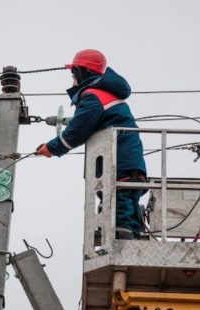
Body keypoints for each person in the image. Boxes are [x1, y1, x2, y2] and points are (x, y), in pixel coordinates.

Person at [36, 49, 147, 240]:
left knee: (118, 204)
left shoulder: (92, 96)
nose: (72, 82)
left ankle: (121, 244)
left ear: (82, 72)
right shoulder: (104, 94)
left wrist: (51, 148)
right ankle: (130, 239)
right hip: (128, 163)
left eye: (73, 76)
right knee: (125, 203)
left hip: (118, 163)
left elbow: (77, 131)